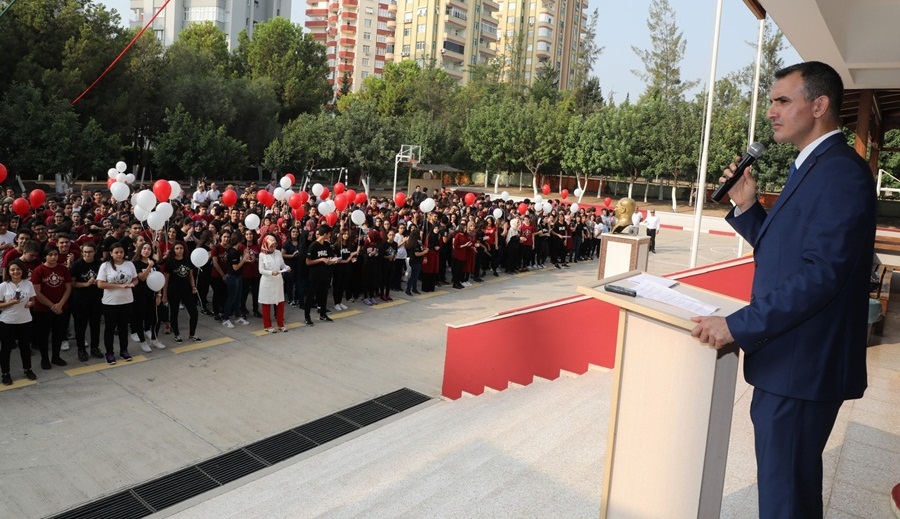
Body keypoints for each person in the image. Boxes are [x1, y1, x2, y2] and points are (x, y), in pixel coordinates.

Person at [690, 61, 875, 518]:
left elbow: (821, 276)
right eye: (772, 100)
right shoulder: (812, 166)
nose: (771, 111)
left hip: (803, 366)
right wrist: (749, 206)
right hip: (792, 364)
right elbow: (788, 255)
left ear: (819, 105)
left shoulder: (840, 173)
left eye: (782, 101)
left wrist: (738, 326)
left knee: (784, 497)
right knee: (790, 488)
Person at [31, 245, 73, 369]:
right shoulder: (39, 270)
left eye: (55, 254)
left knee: (58, 333)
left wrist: (60, 304)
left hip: (61, 308)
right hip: (43, 309)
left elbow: (68, 287)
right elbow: (37, 292)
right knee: (44, 335)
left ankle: (56, 357)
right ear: (45, 256)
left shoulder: (63, 269)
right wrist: (52, 306)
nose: (53, 257)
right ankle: (45, 359)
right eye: (50, 255)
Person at [97, 242, 137, 365]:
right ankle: (109, 353)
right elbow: (100, 284)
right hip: (110, 303)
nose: (119, 255)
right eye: (116, 252)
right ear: (111, 253)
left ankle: (124, 350)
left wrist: (132, 284)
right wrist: (120, 286)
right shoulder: (105, 266)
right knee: (110, 328)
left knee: (123, 327)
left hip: (127, 301)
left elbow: (135, 279)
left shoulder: (130, 264)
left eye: (121, 252)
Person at [0, 260, 37, 385]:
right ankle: (5, 373)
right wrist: (11, 303)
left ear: (23, 270)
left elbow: (33, 300)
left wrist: (30, 304)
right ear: (8, 272)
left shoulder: (28, 284)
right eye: (12, 270)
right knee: (6, 349)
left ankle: (27, 369)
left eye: (18, 269)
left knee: (25, 347)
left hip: (25, 320)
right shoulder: (3, 286)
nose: (16, 272)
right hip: (7, 322)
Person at [70, 241, 104, 360]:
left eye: (90, 252)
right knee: (80, 326)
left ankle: (95, 347)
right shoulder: (77, 265)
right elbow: (73, 284)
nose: (87, 254)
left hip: (96, 299)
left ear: (95, 252)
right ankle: (81, 349)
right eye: (85, 252)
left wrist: (97, 283)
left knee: (95, 324)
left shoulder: (100, 264)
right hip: (81, 299)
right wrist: (86, 284)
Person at [163, 241, 201, 344]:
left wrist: (193, 286)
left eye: (181, 248)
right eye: (177, 248)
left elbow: (191, 275)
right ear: (173, 250)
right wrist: (164, 294)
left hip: (187, 290)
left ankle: (192, 334)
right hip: (173, 291)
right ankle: (177, 334)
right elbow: (166, 280)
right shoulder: (170, 262)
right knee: (174, 313)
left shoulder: (188, 260)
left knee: (194, 313)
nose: (179, 250)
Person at [257, 234, 289, 333]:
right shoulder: (262, 255)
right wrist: (271, 272)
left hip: (278, 281)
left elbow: (283, 265)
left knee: (280, 303)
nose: (273, 247)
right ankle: (267, 325)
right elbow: (261, 270)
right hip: (267, 282)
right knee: (266, 304)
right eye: (271, 245)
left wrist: (287, 268)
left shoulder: (278, 252)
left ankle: (280, 324)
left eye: (274, 245)